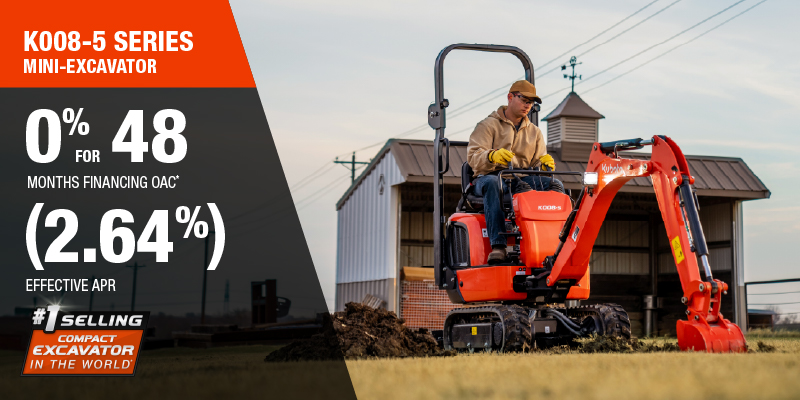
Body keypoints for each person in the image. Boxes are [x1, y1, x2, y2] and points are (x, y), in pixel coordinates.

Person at [466, 80, 562, 264]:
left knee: (555, 185)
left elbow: (537, 161)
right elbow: (473, 157)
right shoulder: (488, 125)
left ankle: (556, 243)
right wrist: (492, 156)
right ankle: (498, 246)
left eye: (530, 102)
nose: (527, 105)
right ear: (510, 97)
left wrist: (544, 166)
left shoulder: (535, 132)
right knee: (494, 184)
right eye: (524, 100)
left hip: (520, 179)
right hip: (488, 177)